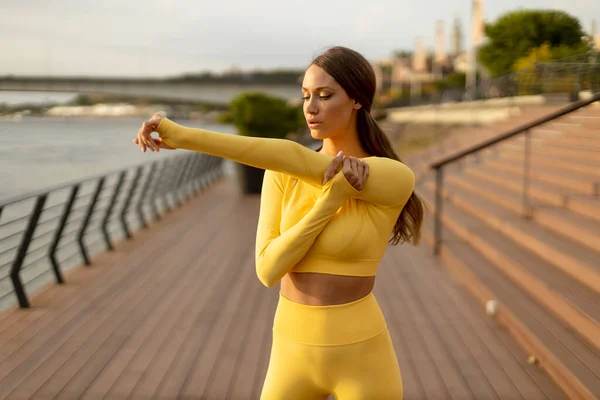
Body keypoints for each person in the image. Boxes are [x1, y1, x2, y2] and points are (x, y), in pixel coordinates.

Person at [134, 46, 424, 400]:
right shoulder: (281, 175)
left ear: (357, 101)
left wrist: (183, 136)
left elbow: (294, 157)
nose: (310, 108)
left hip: (363, 353)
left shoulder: (393, 177)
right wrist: (329, 202)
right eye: (305, 96)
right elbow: (268, 270)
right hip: (291, 349)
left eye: (325, 95)